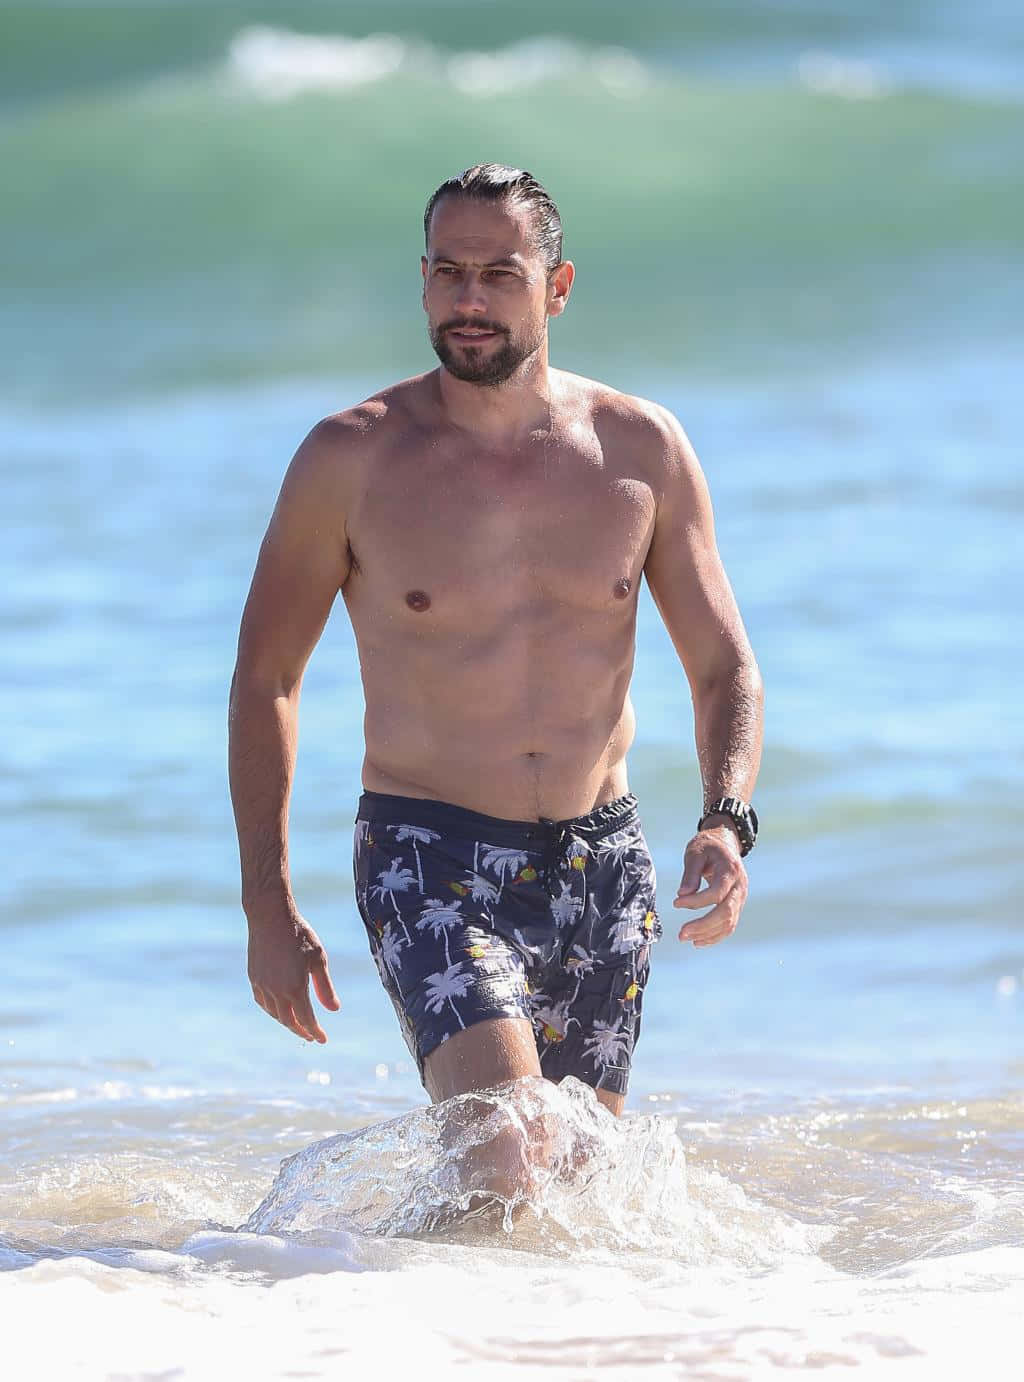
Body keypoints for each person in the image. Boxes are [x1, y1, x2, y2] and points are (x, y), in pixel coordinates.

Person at [228, 163, 763, 1127]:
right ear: (423, 278)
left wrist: (727, 818)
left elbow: (725, 667)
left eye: (500, 275)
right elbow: (266, 678)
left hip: (604, 860)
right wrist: (265, 901)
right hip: (427, 849)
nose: (468, 301)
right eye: (447, 272)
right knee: (509, 1146)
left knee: (579, 1178)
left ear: (557, 287)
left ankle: (372, 1268)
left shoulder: (641, 450)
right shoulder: (349, 459)